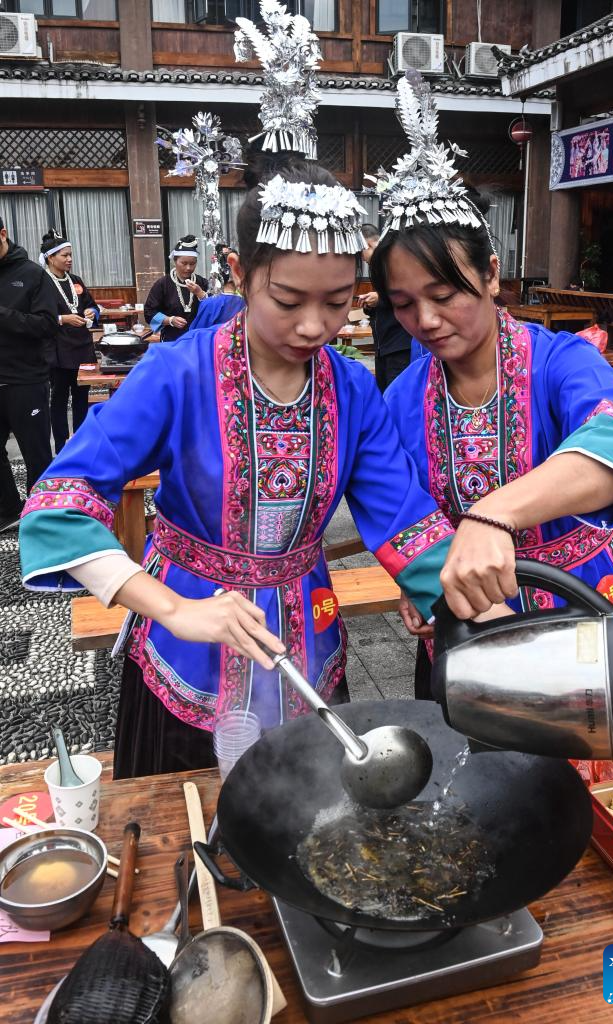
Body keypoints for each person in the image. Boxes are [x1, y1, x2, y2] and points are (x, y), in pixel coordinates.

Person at [19, 4, 454, 778]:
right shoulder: (178, 372)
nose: (317, 325)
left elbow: (406, 524)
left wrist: (465, 595)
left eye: (341, 300)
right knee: (180, 833)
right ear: (238, 274)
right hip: (186, 643)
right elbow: (60, 505)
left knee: (311, 832)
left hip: (305, 643)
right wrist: (174, 606)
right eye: (289, 301)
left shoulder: (350, 393)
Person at [370, 73, 613, 702]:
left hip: (580, 624)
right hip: (468, 631)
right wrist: (419, 580)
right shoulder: (399, 401)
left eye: (444, 295)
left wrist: (492, 514)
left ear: (492, 274)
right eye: (403, 305)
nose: (427, 321)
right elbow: (399, 516)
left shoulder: (559, 364)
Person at [0, 215, 58, 532]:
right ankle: (8, 510)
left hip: (26, 380)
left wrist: (3, 316)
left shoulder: (32, 275)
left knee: (36, 453)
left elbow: (47, 325)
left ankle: (42, 516)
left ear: (3, 234)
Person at [40, 230, 99, 453]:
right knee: (59, 397)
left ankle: (81, 441)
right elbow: (36, 315)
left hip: (82, 346)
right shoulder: (41, 281)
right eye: (64, 255)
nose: (69, 259)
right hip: (58, 348)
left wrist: (92, 312)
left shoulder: (76, 280)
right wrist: (62, 318)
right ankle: (61, 444)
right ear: (50, 257)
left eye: (71, 255)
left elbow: (90, 303)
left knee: (82, 395)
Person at [359, 224, 412, 392]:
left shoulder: (396, 262)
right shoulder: (377, 267)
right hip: (382, 346)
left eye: (361, 251)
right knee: (383, 393)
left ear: (369, 245)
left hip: (399, 344)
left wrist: (380, 299)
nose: (361, 258)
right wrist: (370, 305)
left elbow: (408, 294)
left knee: (395, 395)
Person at [144, 235, 209, 341]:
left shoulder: (201, 282)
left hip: (198, 339)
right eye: (184, 263)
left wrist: (200, 293)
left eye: (192, 264)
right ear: (175, 261)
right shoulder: (163, 284)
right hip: (171, 339)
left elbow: (214, 308)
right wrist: (169, 320)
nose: (188, 268)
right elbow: (149, 312)